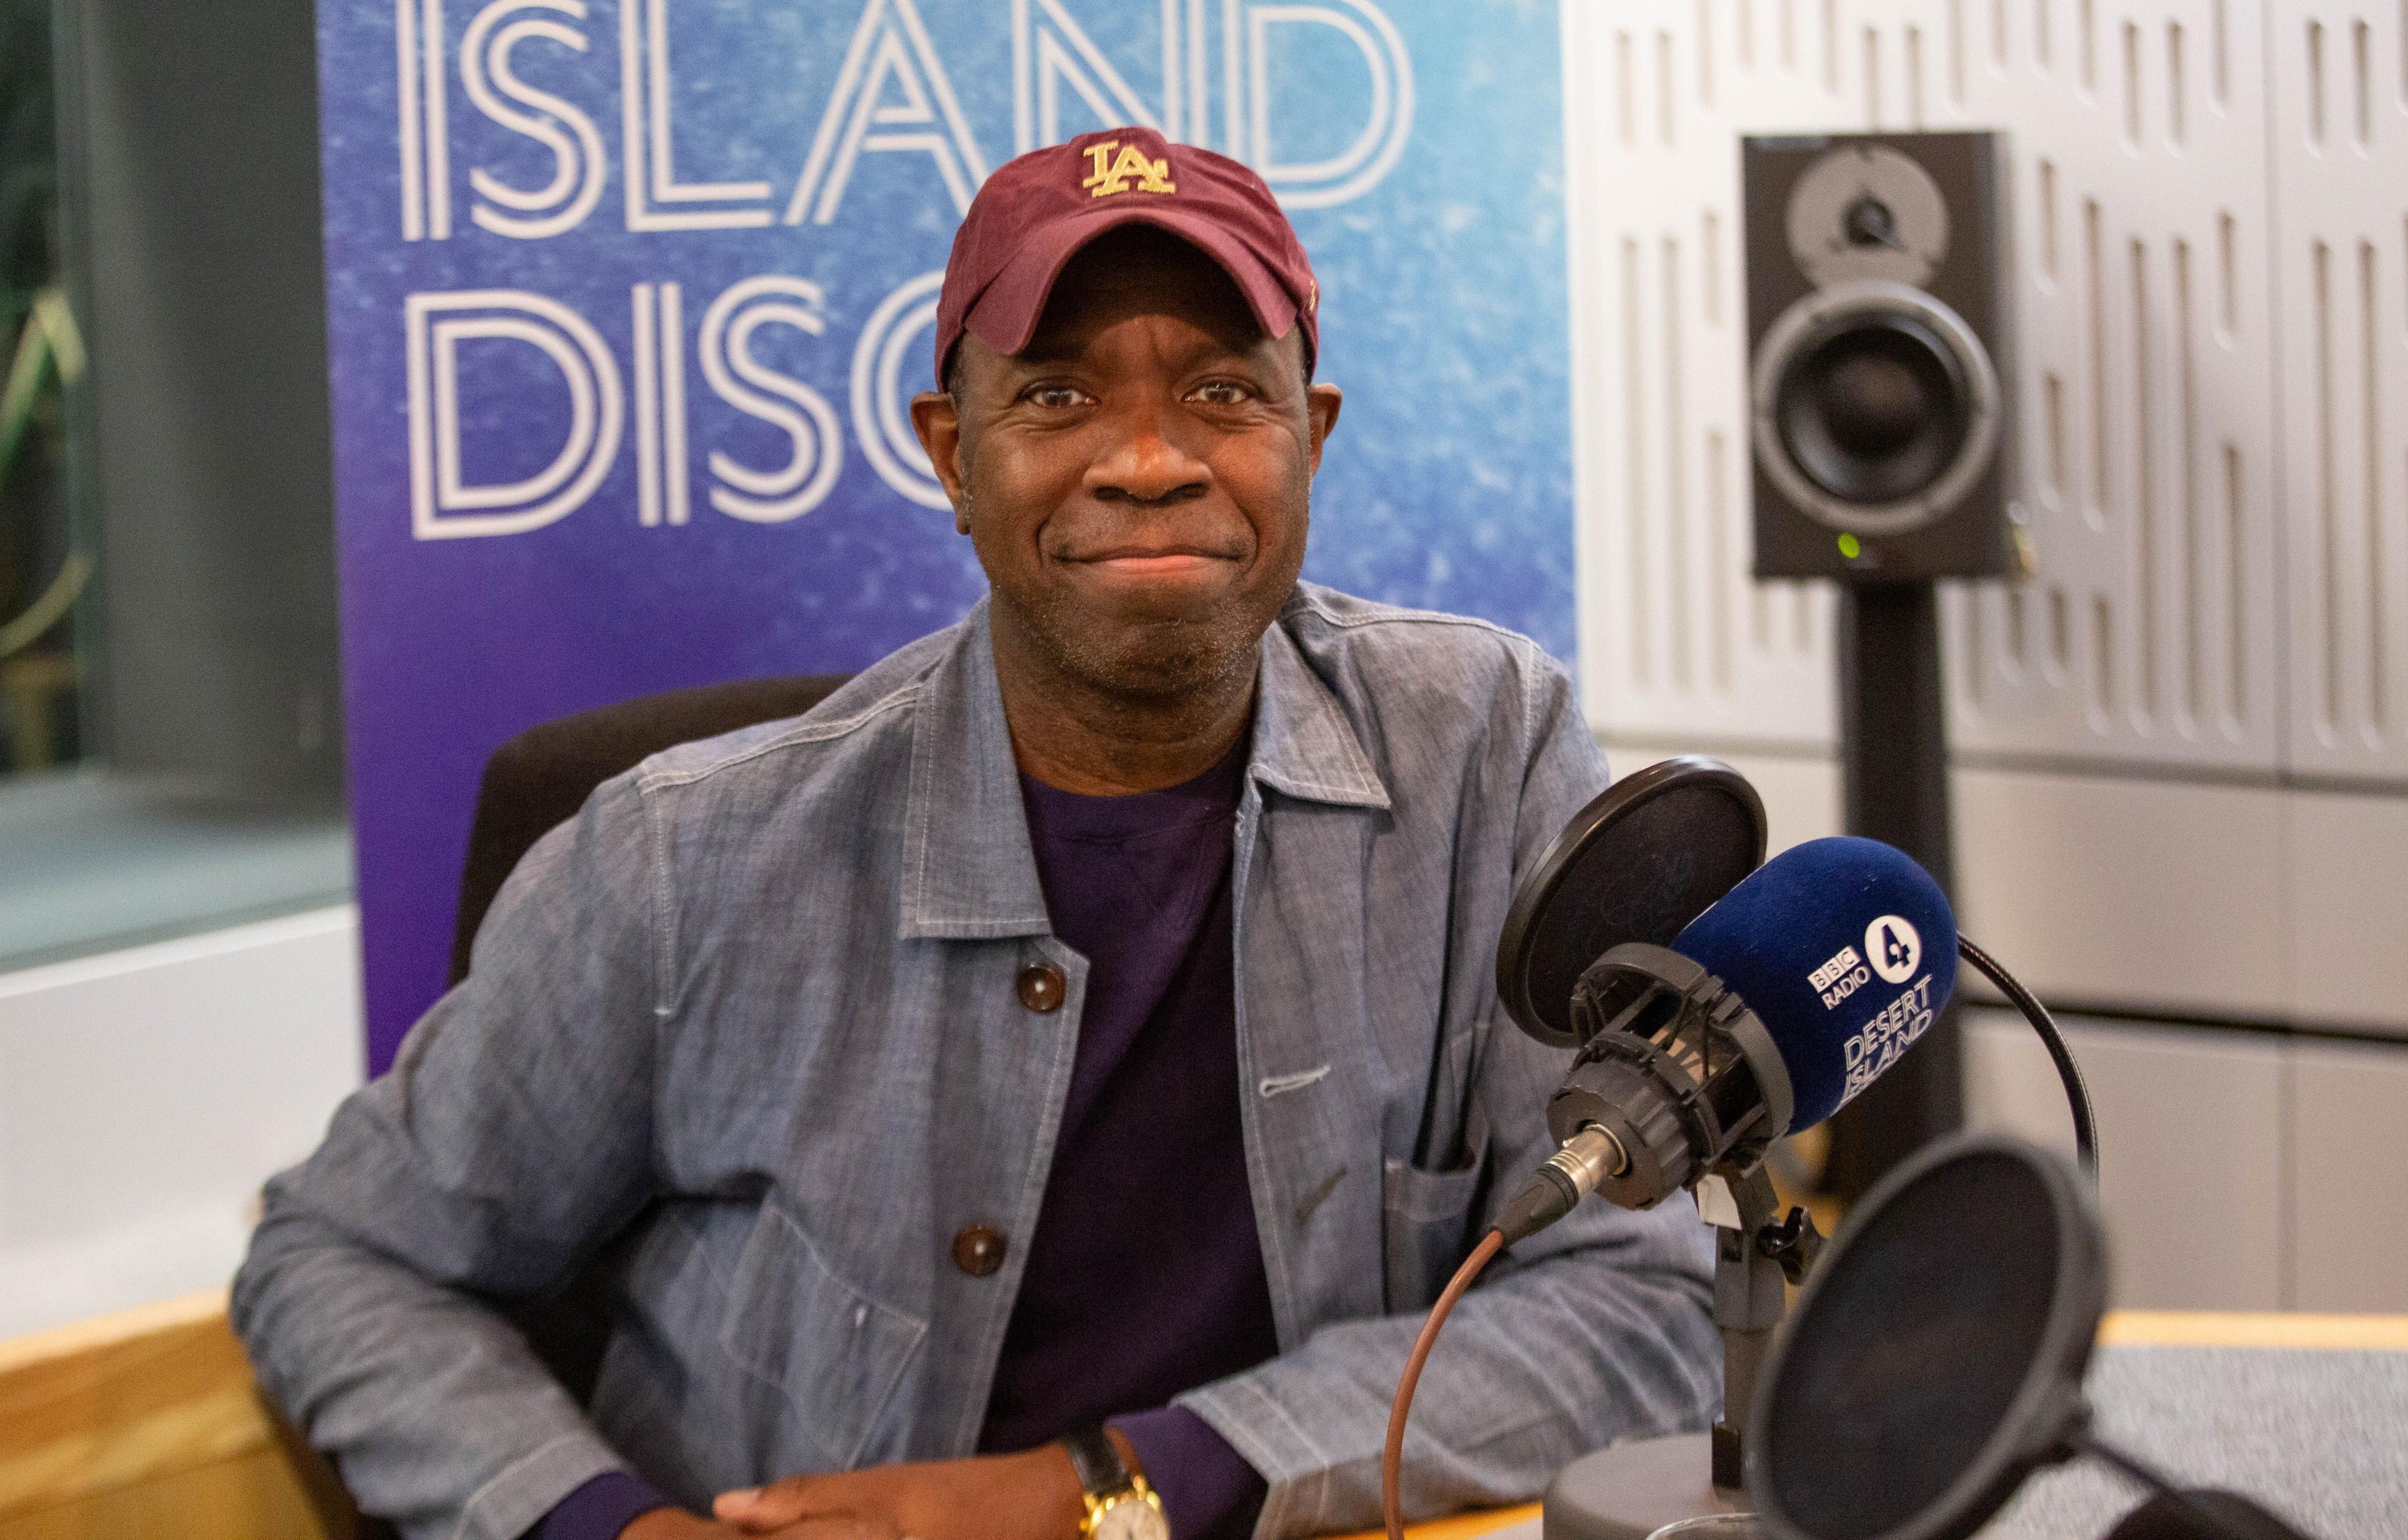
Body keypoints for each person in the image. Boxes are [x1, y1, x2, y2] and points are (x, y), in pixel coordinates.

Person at [233, 126, 1717, 1540]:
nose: (1148, 459)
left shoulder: (1488, 751)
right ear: (953, 453)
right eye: (1058, 396)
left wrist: (1109, 1490)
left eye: (1221, 392)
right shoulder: (684, 857)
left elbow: (1641, 1303)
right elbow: (343, 1252)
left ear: (1308, 435)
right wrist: (609, 1524)